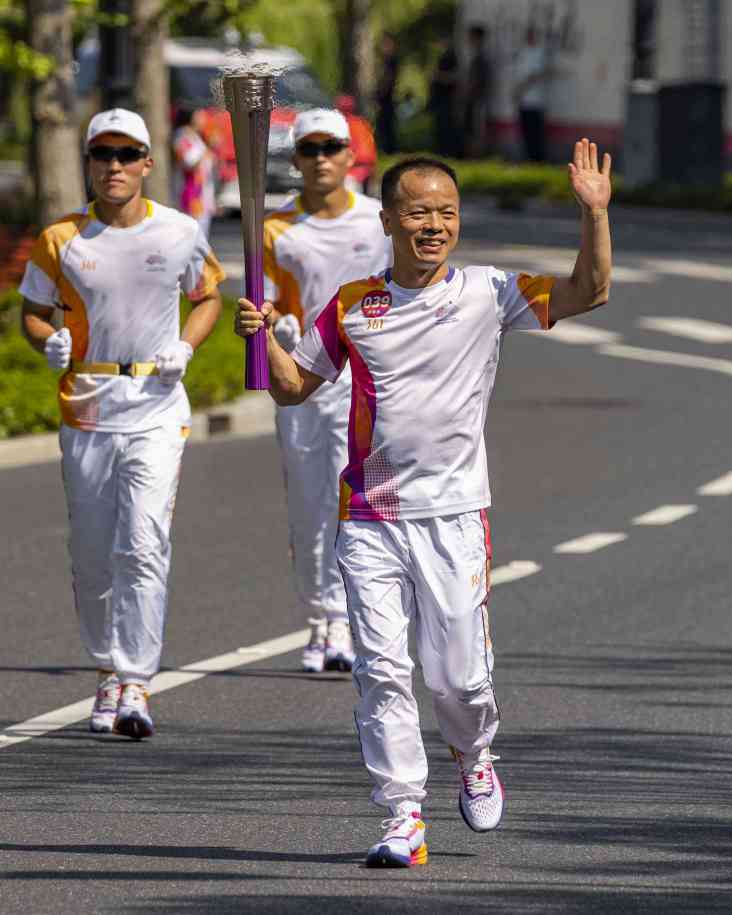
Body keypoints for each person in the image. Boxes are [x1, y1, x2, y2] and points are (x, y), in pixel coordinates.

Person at [235, 140, 613, 866]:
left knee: (458, 676)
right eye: (418, 212)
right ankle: (402, 813)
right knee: (381, 668)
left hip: (454, 514)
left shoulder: (488, 292)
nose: (433, 224)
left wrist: (594, 215)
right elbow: (292, 387)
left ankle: (473, 752)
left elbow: (589, 291)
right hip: (371, 518)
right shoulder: (353, 306)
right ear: (389, 219)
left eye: (446, 212)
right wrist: (263, 341)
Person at [18, 108, 224, 740]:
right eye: (103, 154)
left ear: (146, 163)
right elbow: (32, 310)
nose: (114, 166)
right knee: (92, 550)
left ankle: (136, 678)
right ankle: (106, 666)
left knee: (143, 540)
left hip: (156, 403)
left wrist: (186, 346)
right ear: (89, 162)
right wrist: (48, 338)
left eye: (126, 154)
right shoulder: (62, 239)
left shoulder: (181, 232)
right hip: (87, 401)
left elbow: (209, 295)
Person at [264, 109, 392, 674]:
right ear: (296, 159)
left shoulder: (377, 223)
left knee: (362, 505)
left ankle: (354, 617)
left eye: (330, 147)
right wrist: (275, 328)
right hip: (304, 381)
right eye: (309, 148)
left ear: (349, 156)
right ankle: (320, 620)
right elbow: (260, 304)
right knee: (310, 505)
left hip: (367, 382)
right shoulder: (274, 230)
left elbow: (407, 291)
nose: (320, 158)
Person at [172, 108, 216, 236]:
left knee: (202, 234)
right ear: (190, 118)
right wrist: (208, 149)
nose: (203, 119)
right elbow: (189, 164)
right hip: (191, 193)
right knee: (194, 234)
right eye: (199, 116)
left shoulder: (197, 137)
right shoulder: (181, 137)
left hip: (203, 193)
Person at [512, 26, 550, 162]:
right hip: (524, 100)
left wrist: (519, 89)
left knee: (535, 134)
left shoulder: (539, 53)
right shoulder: (523, 53)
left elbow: (534, 75)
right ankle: (528, 159)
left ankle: (537, 160)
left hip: (535, 101)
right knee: (526, 133)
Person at [428, 37, 462, 158]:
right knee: (441, 125)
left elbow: (454, 77)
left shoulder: (451, 58)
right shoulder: (442, 57)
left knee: (446, 124)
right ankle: (442, 150)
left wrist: (438, 76)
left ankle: (448, 150)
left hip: (447, 97)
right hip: (440, 97)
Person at [463, 25, 492, 158]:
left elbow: (479, 80)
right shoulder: (476, 56)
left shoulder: (481, 58)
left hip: (478, 99)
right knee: (472, 129)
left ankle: (476, 157)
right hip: (474, 99)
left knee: (476, 130)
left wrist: (470, 91)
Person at [374, 34, 401, 155]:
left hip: (387, 97)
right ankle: (387, 148)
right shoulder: (386, 61)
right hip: (385, 97)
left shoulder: (392, 61)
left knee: (387, 123)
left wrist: (381, 92)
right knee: (383, 124)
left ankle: (390, 149)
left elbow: (388, 79)